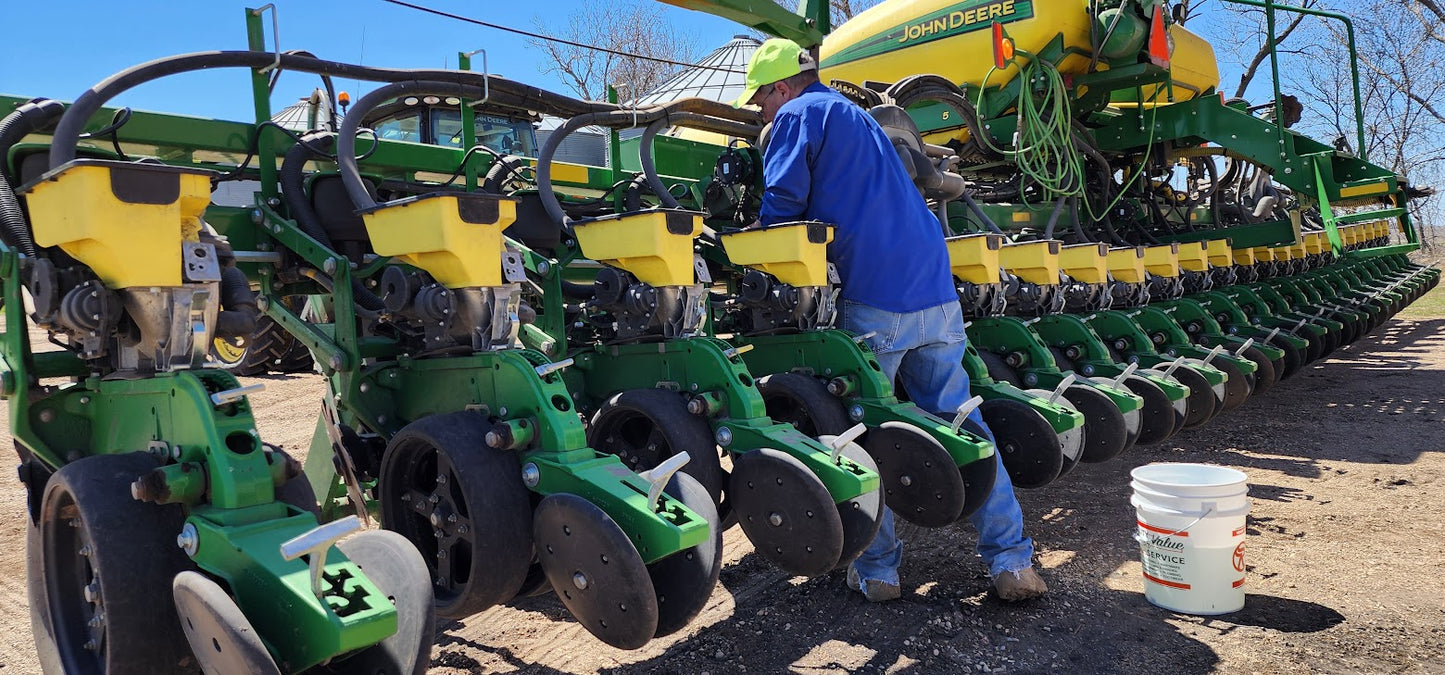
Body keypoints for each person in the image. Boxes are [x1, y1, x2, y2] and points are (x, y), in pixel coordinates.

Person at [733, 38, 1047, 603]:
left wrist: (750, 255)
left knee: (864, 430)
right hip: (933, 284)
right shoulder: (860, 117)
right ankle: (1012, 561)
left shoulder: (798, 116)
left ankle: (878, 571)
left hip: (875, 295)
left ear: (780, 87)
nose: (760, 111)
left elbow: (782, 202)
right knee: (962, 422)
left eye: (760, 99)